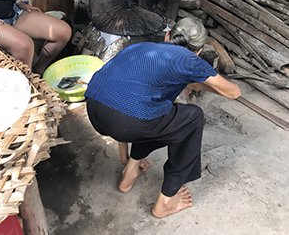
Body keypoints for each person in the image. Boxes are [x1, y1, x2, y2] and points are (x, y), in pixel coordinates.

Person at [84, 18, 240, 218]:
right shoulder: (191, 61)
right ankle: (165, 202)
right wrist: (200, 83)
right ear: (199, 51)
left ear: (167, 35)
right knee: (192, 118)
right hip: (127, 120)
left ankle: (129, 172)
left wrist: (123, 157)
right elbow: (233, 92)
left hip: (94, 108)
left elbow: (119, 98)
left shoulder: (140, 48)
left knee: (160, 113)